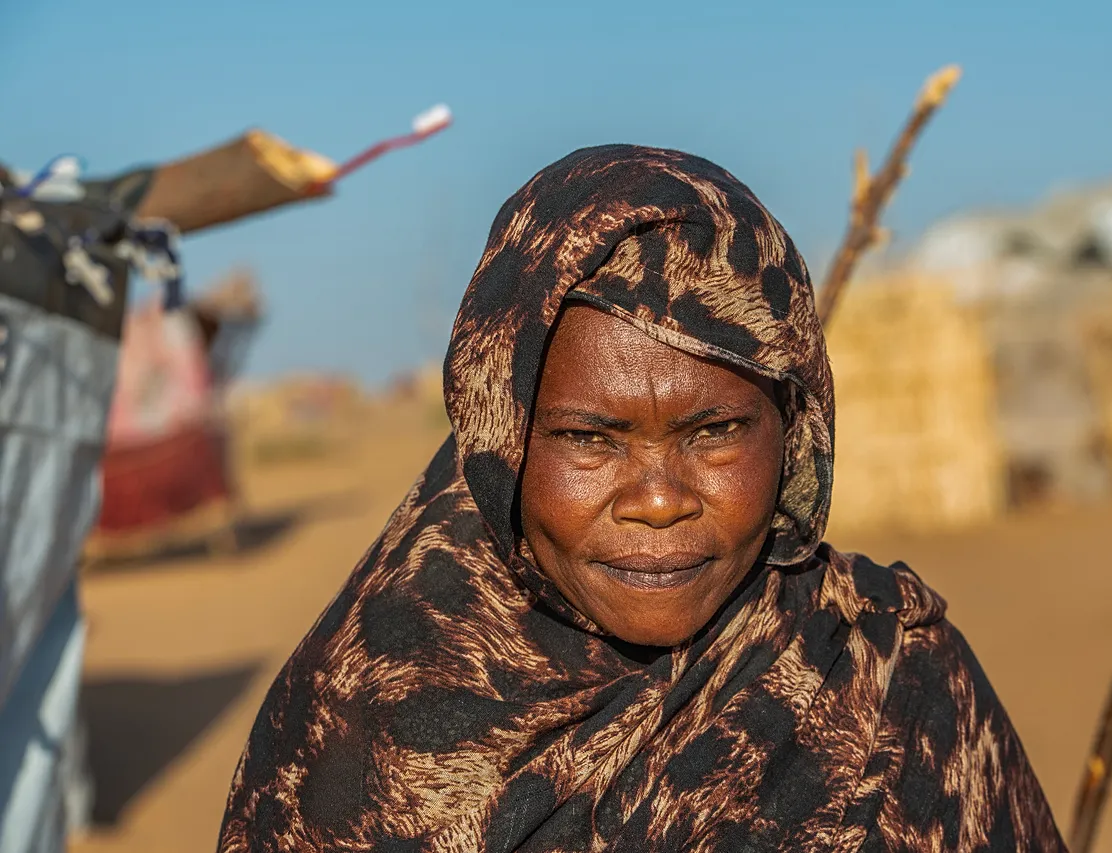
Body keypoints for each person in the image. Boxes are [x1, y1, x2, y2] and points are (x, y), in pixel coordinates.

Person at [216, 145, 1066, 852]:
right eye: (590, 439)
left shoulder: (884, 672)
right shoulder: (361, 729)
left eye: (716, 431)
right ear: (500, 442)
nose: (659, 500)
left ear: (794, 429)